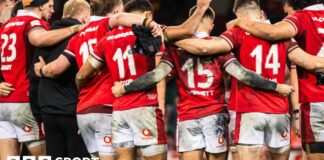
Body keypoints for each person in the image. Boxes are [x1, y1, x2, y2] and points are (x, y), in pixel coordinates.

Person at [110, 6, 294, 160]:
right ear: (212, 25)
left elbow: (155, 76)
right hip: (215, 116)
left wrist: (126, 88)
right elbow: (244, 75)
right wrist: (275, 86)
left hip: (188, 117)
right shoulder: (220, 46)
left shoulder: (176, 49)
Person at [174, 0, 324, 159]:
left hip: (249, 109)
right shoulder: (284, 36)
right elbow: (310, 63)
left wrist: (171, 38)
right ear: (260, 13)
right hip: (278, 109)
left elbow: (205, 47)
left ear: (238, 16)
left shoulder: (236, 33)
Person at [74, 0, 171, 159]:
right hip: (144, 105)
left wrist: (85, 97)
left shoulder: (106, 39)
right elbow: (156, 75)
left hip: (119, 110)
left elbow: (81, 75)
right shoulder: (151, 33)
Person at [230, 0, 324, 159]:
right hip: (278, 110)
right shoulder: (289, 39)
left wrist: (239, 21)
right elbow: (307, 62)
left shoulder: (300, 19)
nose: (287, 16)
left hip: (252, 106)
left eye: (287, 13)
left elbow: (272, 32)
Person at [0, 0, 85, 158]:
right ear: (41, 6)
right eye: (50, 6)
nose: (52, 11)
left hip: (4, 103)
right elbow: (38, 39)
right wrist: (75, 28)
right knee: (46, 155)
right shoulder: (33, 22)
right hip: (24, 100)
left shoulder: (6, 25)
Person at [34, 0, 91, 158]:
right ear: (86, 18)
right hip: (74, 112)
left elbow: (34, 79)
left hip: (49, 113)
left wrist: (40, 116)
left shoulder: (46, 37)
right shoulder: (83, 36)